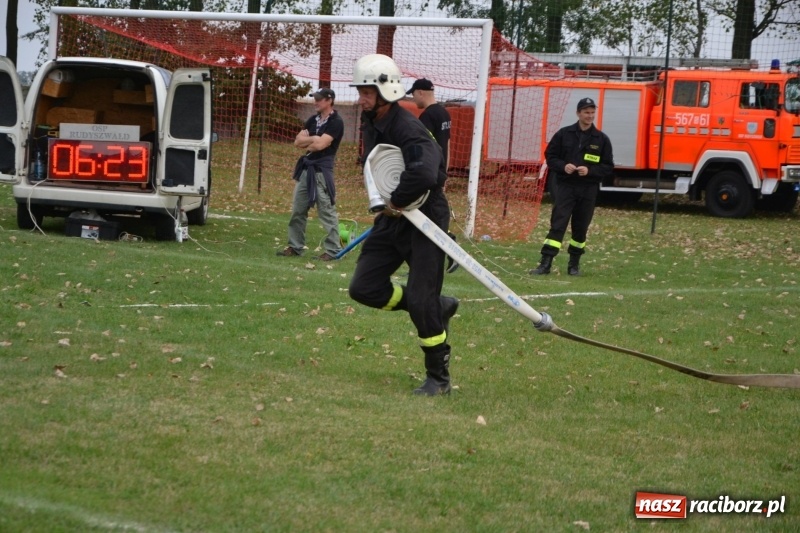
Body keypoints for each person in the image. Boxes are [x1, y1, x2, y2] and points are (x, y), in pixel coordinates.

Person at [348, 54, 459, 396]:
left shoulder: (407, 127)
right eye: (360, 91)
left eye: (367, 92)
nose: (361, 98)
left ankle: (438, 378)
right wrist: (386, 205)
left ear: (386, 91)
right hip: (393, 217)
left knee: (422, 299)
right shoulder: (372, 121)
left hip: (425, 218)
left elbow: (426, 173)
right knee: (363, 288)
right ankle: (436, 306)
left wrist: (396, 200)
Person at [530, 97, 614, 276]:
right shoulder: (564, 134)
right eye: (586, 112)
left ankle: (574, 265)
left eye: (592, 113)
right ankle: (545, 264)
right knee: (558, 225)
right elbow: (550, 156)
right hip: (565, 187)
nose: (590, 116)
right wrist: (563, 166)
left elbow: (608, 167)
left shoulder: (601, 139)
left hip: (588, 189)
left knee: (581, 227)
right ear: (578, 113)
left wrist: (590, 170)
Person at [276, 88, 344, 261]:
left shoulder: (336, 121)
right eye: (315, 99)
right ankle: (295, 246)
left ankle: (333, 249)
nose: (316, 102)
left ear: (329, 100)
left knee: (326, 211)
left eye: (319, 99)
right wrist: (314, 139)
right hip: (306, 171)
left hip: (321, 172)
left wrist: (311, 140)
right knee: (298, 210)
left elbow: (320, 146)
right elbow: (297, 142)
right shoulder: (312, 120)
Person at [406, 78, 451, 169]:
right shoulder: (445, 113)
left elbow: (422, 147)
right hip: (441, 170)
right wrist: (445, 171)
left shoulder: (427, 116)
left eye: (413, 94)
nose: (413, 99)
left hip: (431, 171)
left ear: (420, 93)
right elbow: (447, 143)